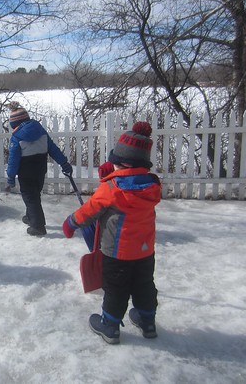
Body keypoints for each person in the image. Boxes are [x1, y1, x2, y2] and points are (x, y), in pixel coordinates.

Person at [62, 122, 161, 344]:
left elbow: (90, 211)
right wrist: (110, 178)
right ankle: (147, 321)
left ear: (121, 162)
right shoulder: (151, 185)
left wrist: (71, 223)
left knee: (116, 289)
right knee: (144, 285)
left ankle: (110, 326)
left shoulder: (112, 187)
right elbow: (129, 186)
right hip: (145, 251)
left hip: (117, 254)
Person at [6, 102, 73, 236]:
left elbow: (13, 160)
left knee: (30, 198)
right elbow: (52, 148)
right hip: (40, 169)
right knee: (34, 195)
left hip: (26, 172)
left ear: (14, 124)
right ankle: (31, 217)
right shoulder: (40, 130)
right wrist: (64, 163)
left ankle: (38, 226)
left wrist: (10, 177)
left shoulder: (16, 137)